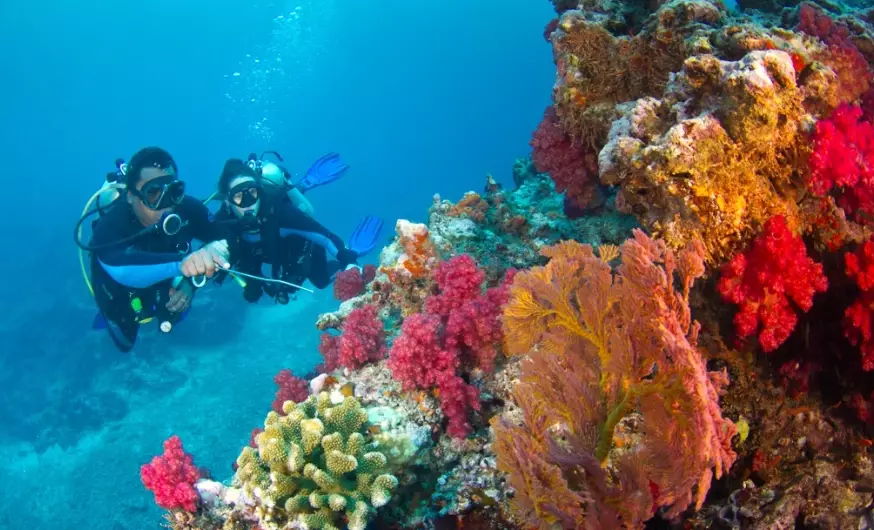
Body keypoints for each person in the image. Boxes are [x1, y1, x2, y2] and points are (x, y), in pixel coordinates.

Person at [86, 147, 233, 352]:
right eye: (153, 193)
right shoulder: (110, 225)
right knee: (125, 342)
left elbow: (226, 239)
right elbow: (120, 268)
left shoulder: (187, 208)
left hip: (167, 281)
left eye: (173, 192)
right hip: (120, 290)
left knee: (174, 317)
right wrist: (185, 263)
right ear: (131, 196)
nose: (166, 205)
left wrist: (190, 284)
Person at [212, 158, 383, 304]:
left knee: (321, 281)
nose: (248, 203)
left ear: (260, 191)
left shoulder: (280, 213)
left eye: (252, 192)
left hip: (297, 247)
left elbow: (325, 236)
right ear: (227, 201)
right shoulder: (222, 224)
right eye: (238, 196)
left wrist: (348, 260)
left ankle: (295, 186)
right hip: (265, 253)